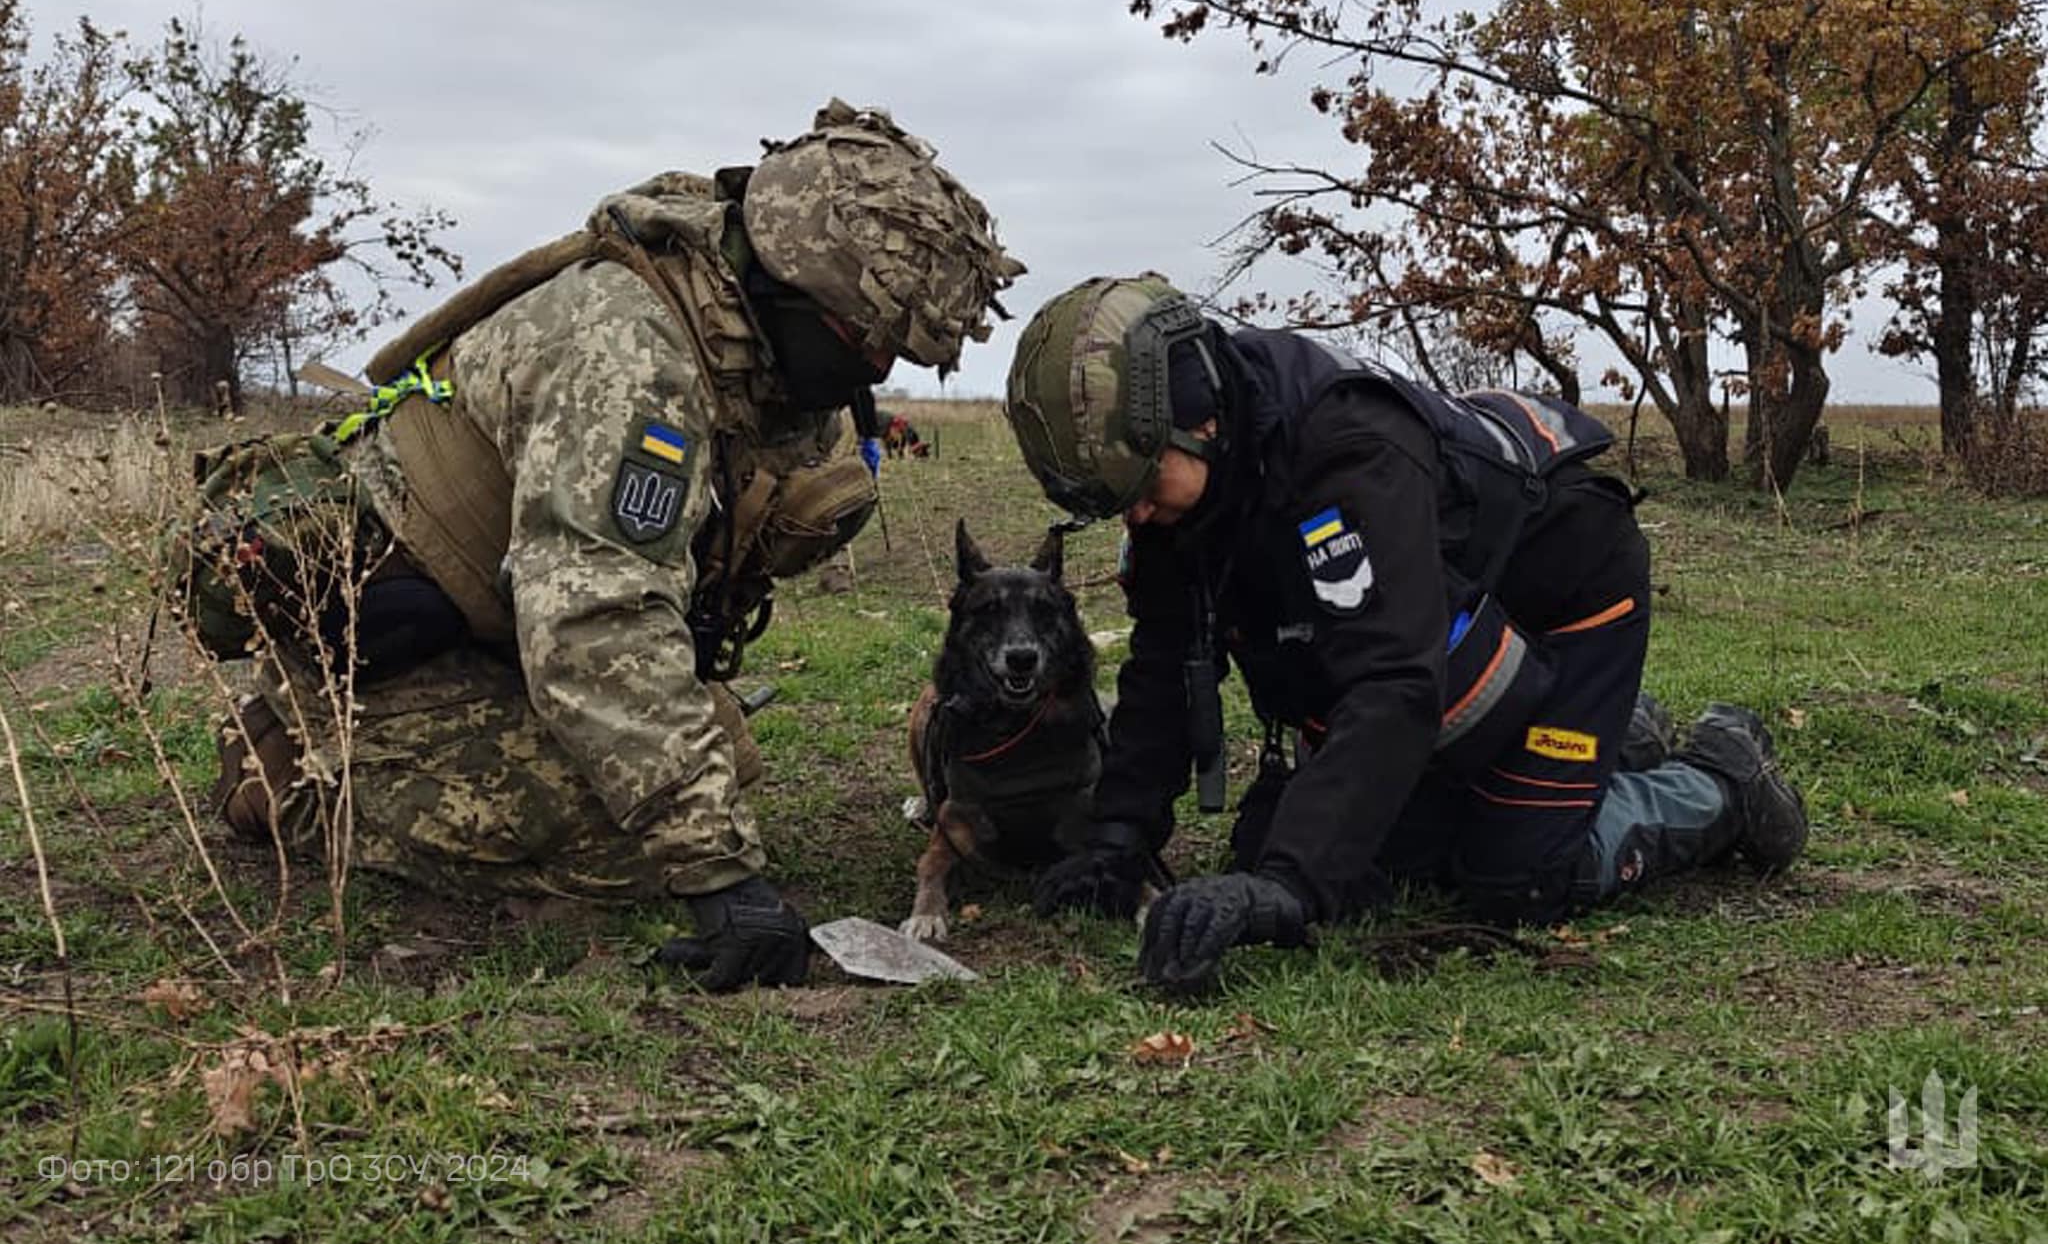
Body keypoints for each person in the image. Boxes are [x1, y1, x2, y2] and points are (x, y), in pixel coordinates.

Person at [179, 99, 1021, 991]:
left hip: (489, 626)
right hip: (390, 644)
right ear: (793, 285)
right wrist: (720, 880)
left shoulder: (728, 320)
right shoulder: (631, 354)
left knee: (721, 756)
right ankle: (296, 774)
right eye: (864, 341)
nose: (876, 372)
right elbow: (593, 617)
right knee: (624, 843)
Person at [1003, 274, 1808, 994]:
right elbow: (1164, 658)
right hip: (1450, 650)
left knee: (1516, 872)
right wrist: (1119, 836)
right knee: (1323, 853)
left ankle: (1719, 778)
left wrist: (1288, 886)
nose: (1136, 515)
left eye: (1142, 489)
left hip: (1568, 609)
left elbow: (1394, 684)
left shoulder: (1350, 452)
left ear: (1200, 422)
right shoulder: (1185, 493)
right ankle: (1604, 741)